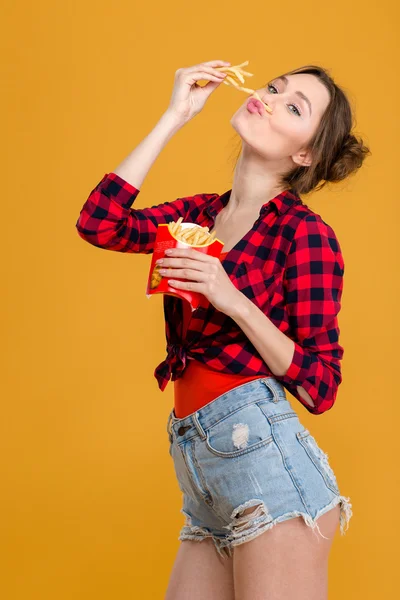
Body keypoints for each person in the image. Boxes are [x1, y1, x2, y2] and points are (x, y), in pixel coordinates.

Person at [76, 60, 370, 600]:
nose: (270, 96)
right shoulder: (199, 218)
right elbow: (99, 223)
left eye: (294, 106)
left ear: (304, 154)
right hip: (201, 468)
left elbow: (321, 386)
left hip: (266, 464)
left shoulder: (305, 235)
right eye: (275, 87)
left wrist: (231, 299)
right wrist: (174, 116)